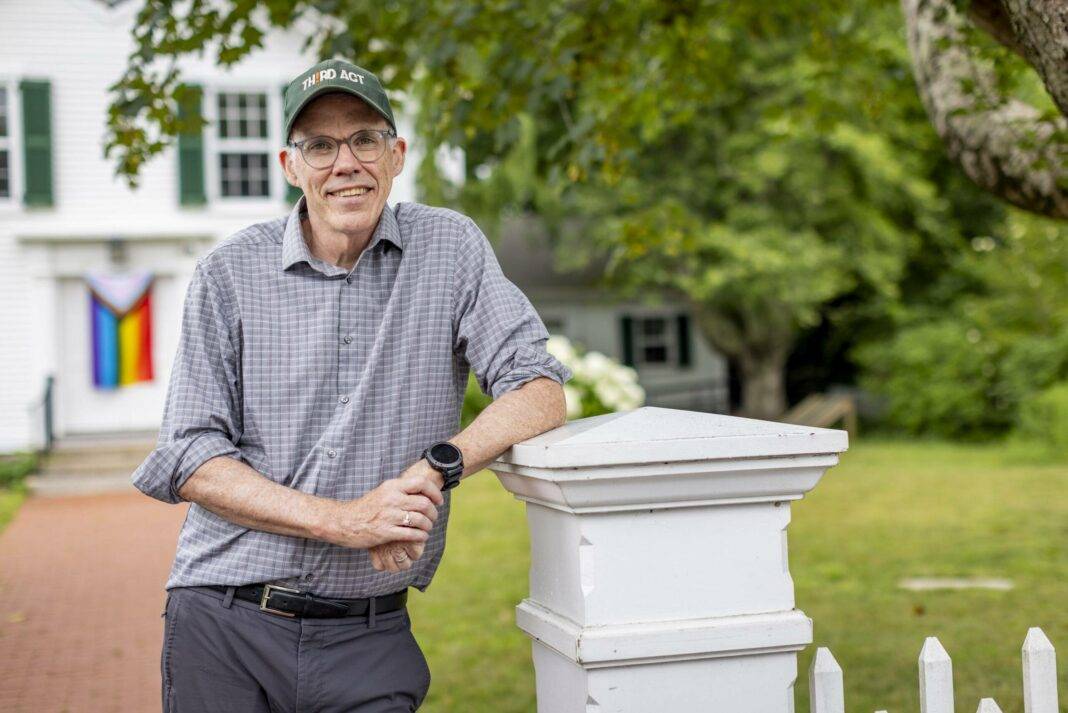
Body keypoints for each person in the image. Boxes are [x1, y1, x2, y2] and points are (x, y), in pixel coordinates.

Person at [131, 58, 572, 712]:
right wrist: (345, 521)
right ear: (290, 165)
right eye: (320, 145)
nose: (346, 163)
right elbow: (192, 456)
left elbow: (539, 388)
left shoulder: (450, 249)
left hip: (370, 632)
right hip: (226, 621)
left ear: (395, 154)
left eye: (365, 139)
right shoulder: (229, 273)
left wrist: (436, 468)